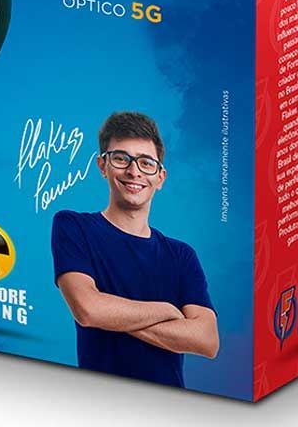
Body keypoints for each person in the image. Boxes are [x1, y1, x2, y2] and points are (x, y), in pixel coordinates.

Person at [51, 112, 218, 387]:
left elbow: (207, 340)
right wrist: (166, 310)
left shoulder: (181, 255)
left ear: (160, 178)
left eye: (146, 163)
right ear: (102, 165)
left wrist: (112, 314)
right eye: (121, 158)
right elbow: (88, 309)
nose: (134, 171)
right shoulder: (74, 226)